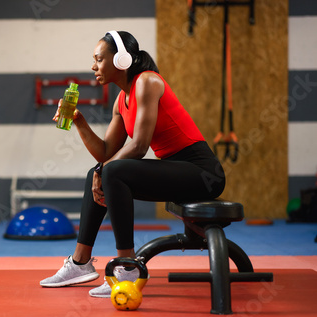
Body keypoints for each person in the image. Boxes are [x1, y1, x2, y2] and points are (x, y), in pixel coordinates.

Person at [40, 31, 226, 297]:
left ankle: (126, 267)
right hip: (174, 169)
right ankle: (80, 263)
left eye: (99, 59)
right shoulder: (121, 100)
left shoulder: (148, 82)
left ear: (122, 60)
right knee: (101, 171)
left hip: (203, 172)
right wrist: (79, 121)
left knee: (109, 171)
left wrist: (103, 170)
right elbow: (105, 152)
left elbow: (138, 147)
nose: (94, 66)